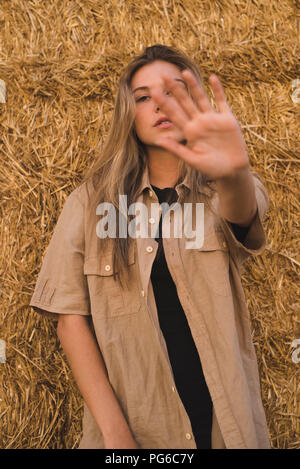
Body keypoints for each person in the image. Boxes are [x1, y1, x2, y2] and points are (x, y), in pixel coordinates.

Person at [29, 44, 271, 449]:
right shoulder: (90, 204)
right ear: (129, 114)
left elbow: (244, 214)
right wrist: (115, 432)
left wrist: (236, 171)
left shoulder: (223, 190)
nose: (161, 104)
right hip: (138, 427)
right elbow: (69, 318)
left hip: (225, 426)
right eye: (144, 97)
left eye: (174, 91)